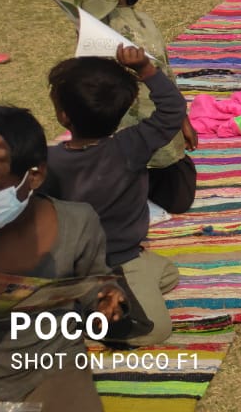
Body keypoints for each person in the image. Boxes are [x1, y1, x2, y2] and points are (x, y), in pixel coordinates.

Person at [48, 0, 198, 215]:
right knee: (118, 193)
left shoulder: (145, 21)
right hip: (119, 138)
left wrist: (182, 120)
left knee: (180, 199)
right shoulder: (97, 12)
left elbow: (166, 74)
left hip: (157, 134)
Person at [0, 111, 124, 410]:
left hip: (52, 363)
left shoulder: (76, 223)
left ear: (35, 175)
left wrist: (106, 298)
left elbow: (94, 280)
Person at [45, 45, 185, 346]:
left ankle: (83, 296)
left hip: (108, 257)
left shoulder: (49, 160)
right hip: (110, 262)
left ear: (64, 116)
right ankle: (82, 317)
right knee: (155, 329)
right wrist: (146, 69)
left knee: (168, 274)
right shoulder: (131, 146)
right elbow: (173, 110)